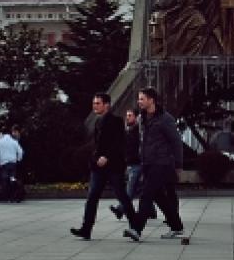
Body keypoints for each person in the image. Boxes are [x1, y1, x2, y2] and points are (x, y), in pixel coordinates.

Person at [123, 88, 185, 241]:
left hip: (162, 162)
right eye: (139, 99)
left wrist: (178, 164)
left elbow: (176, 142)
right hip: (147, 162)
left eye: (142, 99)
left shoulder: (165, 118)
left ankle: (137, 229)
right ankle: (176, 226)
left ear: (151, 100)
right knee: (159, 196)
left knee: (146, 194)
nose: (139, 102)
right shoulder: (142, 118)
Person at [72, 93, 135, 240]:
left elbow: (119, 143)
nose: (95, 106)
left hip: (113, 166)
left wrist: (107, 156)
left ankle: (135, 226)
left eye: (98, 103)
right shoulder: (98, 121)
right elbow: (97, 144)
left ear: (107, 105)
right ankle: (86, 229)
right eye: (94, 103)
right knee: (92, 197)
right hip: (98, 166)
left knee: (122, 196)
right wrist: (95, 158)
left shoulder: (117, 121)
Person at [111, 109, 143, 220]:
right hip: (130, 163)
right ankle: (151, 211)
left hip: (137, 163)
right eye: (126, 115)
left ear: (136, 117)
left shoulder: (137, 131)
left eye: (130, 115)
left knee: (130, 189)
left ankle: (120, 209)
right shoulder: (127, 130)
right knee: (137, 188)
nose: (127, 117)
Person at [0, 126, 24, 202]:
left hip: (4, 164)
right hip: (13, 164)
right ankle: (13, 195)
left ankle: (5, 197)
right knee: (12, 178)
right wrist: (18, 159)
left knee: (4, 180)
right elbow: (20, 152)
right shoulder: (14, 142)